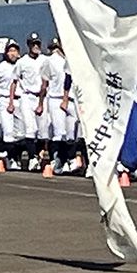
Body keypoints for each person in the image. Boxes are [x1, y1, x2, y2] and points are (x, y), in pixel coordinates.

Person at [9, 32, 48, 172]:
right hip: (27, 96)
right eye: (33, 44)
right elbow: (14, 81)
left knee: (43, 131)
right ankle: (32, 158)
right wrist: (11, 102)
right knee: (30, 128)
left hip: (42, 96)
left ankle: (38, 155)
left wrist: (42, 102)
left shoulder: (45, 60)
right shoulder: (22, 62)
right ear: (28, 45)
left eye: (37, 44)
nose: (36, 46)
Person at [42, 38, 78, 174]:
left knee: (71, 133)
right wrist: (41, 102)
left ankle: (71, 159)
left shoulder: (74, 57)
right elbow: (44, 82)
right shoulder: (51, 60)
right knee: (59, 132)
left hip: (72, 99)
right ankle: (58, 161)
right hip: (56, 99)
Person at [0, 42, 23, 170]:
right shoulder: (0, 67)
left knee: (20, 133)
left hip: (20, 99)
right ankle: (11, 159)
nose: (13, 53)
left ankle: (14, 156)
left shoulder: (21, 64)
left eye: (15, 50)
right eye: (10, 51)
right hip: (3, 100)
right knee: (8, 131)